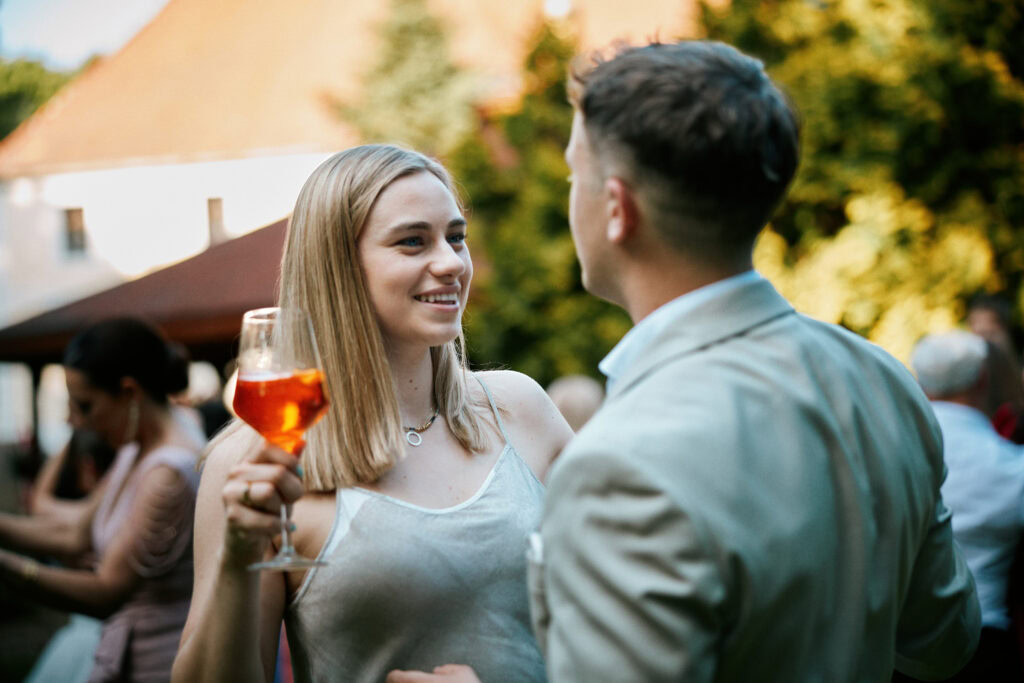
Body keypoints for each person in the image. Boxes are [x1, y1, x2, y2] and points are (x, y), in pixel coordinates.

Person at [390, 39, 980, 683]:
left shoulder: (620, 464)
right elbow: (944, 644)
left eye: (572, 177)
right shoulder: (880, 378)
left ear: (617, 209)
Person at [172, 145, 573, 682]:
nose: (452, 262)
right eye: (413, 241)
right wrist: (238, 557)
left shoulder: (519, 408)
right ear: (338, 269)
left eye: (456, 237)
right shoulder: (256, 461)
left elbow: (621, 617)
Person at [0, 317, 206, 682]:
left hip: (158, 666)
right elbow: (77, 533)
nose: (74, 420)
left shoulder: (167, 472)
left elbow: (106, 592)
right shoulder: (137, 445)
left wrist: (11, 569)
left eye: (84, 405)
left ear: (129, 392)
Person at [908, 331, 1024, 681]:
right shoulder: (1012, 466)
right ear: (982, 380)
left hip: (901, 644)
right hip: (986, 643)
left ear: (919, 381)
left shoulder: (889, 454)